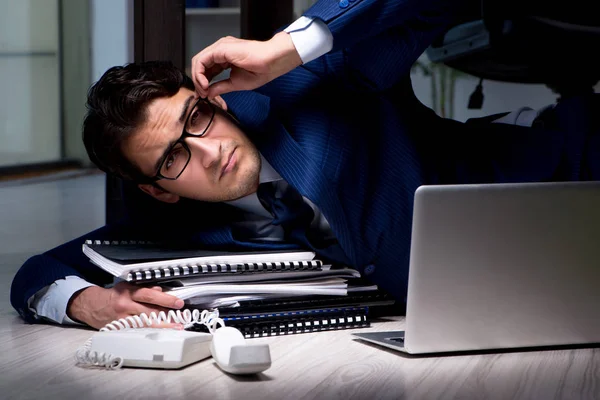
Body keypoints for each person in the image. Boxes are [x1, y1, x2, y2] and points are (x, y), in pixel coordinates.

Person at [10, 0, 599, 330]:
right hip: (527, 302)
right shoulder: (172, 228)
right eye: (173, 158)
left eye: (196, 119)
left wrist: (289, 46)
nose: (210, 152)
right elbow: (38, 272)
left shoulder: (309, 85)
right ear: (159, 189)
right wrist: (87, 304)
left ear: (210, 98)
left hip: (566, 169)